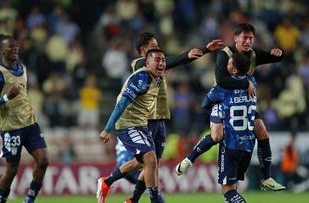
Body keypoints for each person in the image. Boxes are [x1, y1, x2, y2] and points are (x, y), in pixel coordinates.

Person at [96, 32, 223, 203]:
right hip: (145, 121)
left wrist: (203, 51)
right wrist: (191, 54)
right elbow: (169, 61)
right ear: (143, 52)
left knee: (149, 163)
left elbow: (167, 62)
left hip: (160, 120)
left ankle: (126, 195)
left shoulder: (157, 67)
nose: (158, 52)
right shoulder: (140, 65)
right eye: (153, 48)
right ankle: (151, 199)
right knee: (149, 162)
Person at [175, 23, 286, 191]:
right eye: (245, 37)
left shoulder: (253, 55)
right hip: (221, 100)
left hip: (242, 103)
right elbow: (221, 81)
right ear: (236, 38)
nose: (248, 41)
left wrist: (279, 53)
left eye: (251, 38)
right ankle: (189, 159)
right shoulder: (225, 55)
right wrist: (245, 83)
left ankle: (267, 177)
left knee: (262, 132)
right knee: (217, 135)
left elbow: (273, 56)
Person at [0, 34, 49, 203]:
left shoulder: (22, 67)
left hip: (30, 123)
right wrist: (6, 98)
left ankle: (29, 200)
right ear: (2, 50)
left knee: (43, 161)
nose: (16, 49)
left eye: (16, 46)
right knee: (12, 169)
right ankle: (1, 200)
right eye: (11, 47)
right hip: (11, 128)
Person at [98, 48, 166, 203]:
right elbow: (121, 104)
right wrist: (107, 129)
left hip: (141, 124)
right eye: (157, 60)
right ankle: (154, 200)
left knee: (144, 163)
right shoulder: (141, 78)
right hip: (128, 125)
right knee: (150, 159)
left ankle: (107, 182)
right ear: (147, 63)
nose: (161, 63)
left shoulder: (157, 78)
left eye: (163, 60)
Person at [207, 53, 256, 203]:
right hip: (248, 144)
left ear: (234, 69)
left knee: (228, 191)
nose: (225, 66)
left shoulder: (222, 87)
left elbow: (205, 103)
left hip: (230, 143)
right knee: (233, 188)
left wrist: (218, 105)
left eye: (228, 63)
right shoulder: (252, 81)